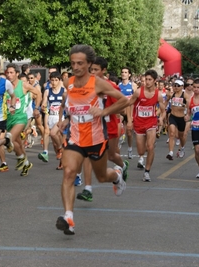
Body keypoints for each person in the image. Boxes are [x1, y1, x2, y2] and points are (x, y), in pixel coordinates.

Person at [55, 44, 128, 235]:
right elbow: (71, 104)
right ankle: (68, 217)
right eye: (73, 63)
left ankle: (117, 177)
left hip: (96, 138)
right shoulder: (68, 83)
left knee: (102, 176)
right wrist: (66, 119)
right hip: (75, 137)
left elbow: (124, 100)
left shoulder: (97, 83)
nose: (76, 67)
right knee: (69, 173)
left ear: (89, 64)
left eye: (80, 63)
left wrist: (104, 111)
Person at [77, 56, 129, 202]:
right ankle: (88, 189)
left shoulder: (109, 86)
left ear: (103, 70)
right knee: (88, 156)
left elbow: (123, 104)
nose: (92, 72)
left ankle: (122, 167)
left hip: (109, 126)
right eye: (91, 69)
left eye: (96, 70)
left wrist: (105, 111)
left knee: (112, 156)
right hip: (91, 128)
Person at [127, 69, 166, 182]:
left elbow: (163, 110)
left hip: (151, 122)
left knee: (150, 147)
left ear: (154, 81)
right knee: (141, 151)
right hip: (139, 123)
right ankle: (144, 155)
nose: (147, 82)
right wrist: (129, 121)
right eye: (146, 80)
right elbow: (129, 105)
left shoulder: (158, 95)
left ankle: (147, 172)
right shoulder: (139, 92)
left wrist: (161, 119)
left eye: (149, 80)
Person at [4, 63, 41, 177]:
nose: (9, 75)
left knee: (9, 138)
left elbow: (38, 93)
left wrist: (36, 108)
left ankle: (21, 159)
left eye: (11, 73)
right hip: (9, 118)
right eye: (7, 73)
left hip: (21, 118)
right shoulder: (5, 85)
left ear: (17, 74)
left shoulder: (24, 85)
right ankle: (26, 163)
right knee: (17, 144)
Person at [38, 71, 65, 163]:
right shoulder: (47, 91)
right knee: (49, 135)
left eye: (56, 80)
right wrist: (43, 106)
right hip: (51, 115)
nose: (53, 82)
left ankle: (61, 148)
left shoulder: (64, 91)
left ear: (59, 81)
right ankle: (46, 153)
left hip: (61, 116)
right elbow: (44, 102)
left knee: (53, 133)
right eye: (52, 80)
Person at [166, 79, 190, 160]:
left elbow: (189, 105)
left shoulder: (185, 95)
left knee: (181, 136)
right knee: (172, 133)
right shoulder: (172, 94)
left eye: (178, 86)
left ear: (182, 87)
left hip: (181, 118)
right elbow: (166, 102)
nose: (175, 87)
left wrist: (184, 106)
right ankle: (171, 152)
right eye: (174, 85)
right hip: (173, 116)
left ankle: (182, 147)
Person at [118, 67, 137, 159]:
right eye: (122, 72)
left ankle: (130, 149)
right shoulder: (118, 86)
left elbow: (135, 100)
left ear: (129, 74)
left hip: (130, 112)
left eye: (125, 72)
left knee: (129, 133)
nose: (123, 74)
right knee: (118, 129)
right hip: (120, 111)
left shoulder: (133, 86)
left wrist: (132, 115)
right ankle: (118, 146)